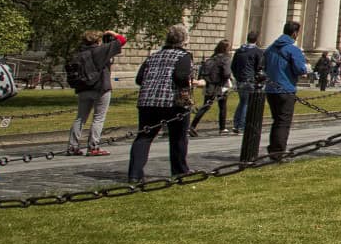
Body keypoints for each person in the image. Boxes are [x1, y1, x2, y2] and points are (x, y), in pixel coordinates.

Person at [128, 25, 199, 182]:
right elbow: (181, 77)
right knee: (178, 137)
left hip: (147, 101)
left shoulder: (153, 56)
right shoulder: (183, 56)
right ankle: (179, 170)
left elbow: (139, 79)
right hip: (172, 102)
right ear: (184, 40)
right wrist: (190, 84)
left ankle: (134, 174)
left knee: (144, 137)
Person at [66, 28, 125, 156]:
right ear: (98, 40)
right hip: (100, 87)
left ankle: (72, 146)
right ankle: (93, 146)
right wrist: (112, 33)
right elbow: (122, 40)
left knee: (80, 118)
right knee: (98, 118)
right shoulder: (101, 50)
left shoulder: (78, 54)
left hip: (83, 88)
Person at [262, 20, 308, 158]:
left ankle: (273, 148)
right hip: (286, 89)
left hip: (270, 89)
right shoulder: (293, 49)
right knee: (283, 122)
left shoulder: (270, 48)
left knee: (276, 120)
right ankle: (278, 151)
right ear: (295, 33)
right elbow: (300, 69)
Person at [190, 39, 233, 135]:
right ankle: (222, 128)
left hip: (210, 83)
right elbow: (226, 73)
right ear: (226, 48)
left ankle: (192, 126)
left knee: (206, 106)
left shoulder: (212, 57)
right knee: (222, 106)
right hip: (221, 84)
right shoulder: (226, 58)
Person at [229, 31, 262, 135]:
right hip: (249, 80)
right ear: (256, 39)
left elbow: (233, 66)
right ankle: (241, 126)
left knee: (242, 102)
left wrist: (237, 76)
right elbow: (259, 67)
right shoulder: (257, 51)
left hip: (240, 79)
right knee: (246, 103)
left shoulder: (239, 51)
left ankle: (236, 124)